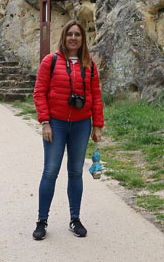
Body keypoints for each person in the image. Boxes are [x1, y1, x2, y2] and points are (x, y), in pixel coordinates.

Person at [32, 19, 104, 240]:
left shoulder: (89, 65)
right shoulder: (50, 61)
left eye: (78, 34)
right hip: (56, 124)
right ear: (64, 37)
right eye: (69, 34)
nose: (73, 38)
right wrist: (45, 122)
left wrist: (97, 124)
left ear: (83, 39)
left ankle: (75, 219)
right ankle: (42, 221)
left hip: (81, 124)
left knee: (75, 172)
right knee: (50, 171)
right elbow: (39, 93)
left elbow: (96, 96)